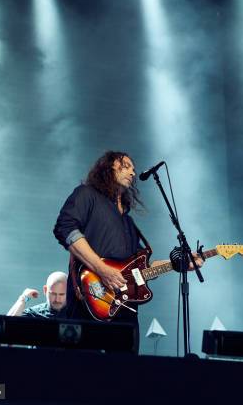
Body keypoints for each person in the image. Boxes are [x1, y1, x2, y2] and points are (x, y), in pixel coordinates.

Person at [53, 151, 202, 353]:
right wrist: (102, 269)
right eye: (126, 165)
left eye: (133, 167)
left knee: (126, 377)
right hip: (90, 302)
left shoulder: (128, 221)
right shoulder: (86, 194)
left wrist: (179, 263)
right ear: (108, 167)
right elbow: (65, 227)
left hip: (126, 312)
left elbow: (142, 268)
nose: (132, 171)